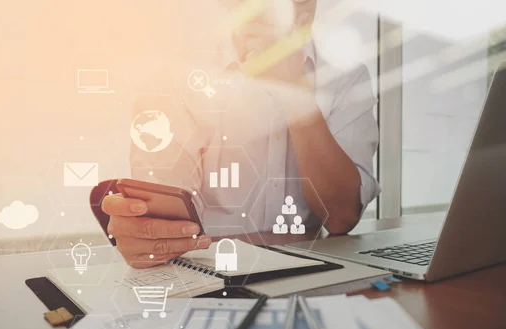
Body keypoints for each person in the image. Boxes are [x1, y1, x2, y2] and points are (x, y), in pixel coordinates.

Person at [102, 0, 380, 268]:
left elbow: (342, 217)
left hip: (309, 274)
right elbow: (160, 218)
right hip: (208, 275)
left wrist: (296, 93)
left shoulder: (347, 78)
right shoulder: (176, 81)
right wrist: (144, 235)